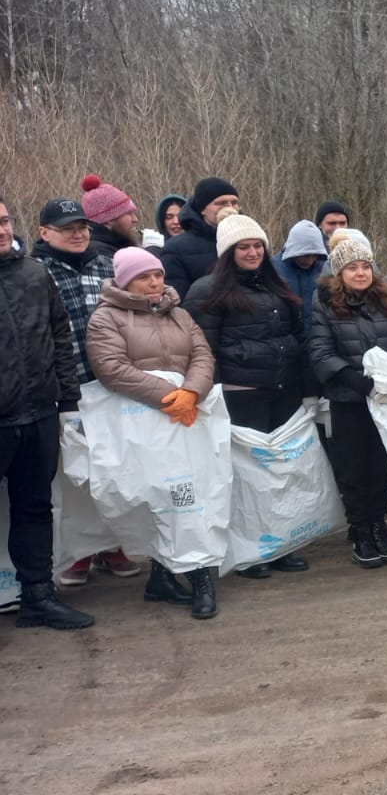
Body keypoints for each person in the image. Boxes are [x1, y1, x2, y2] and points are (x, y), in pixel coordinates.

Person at [85, 247, 220, 619]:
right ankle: (185, 574)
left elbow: (202, 355)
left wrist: (192, 391)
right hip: (140, 422)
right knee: (162, 496)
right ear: (126, 280)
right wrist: (167, 396)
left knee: (190, 494)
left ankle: (183, 575)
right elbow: (110, 367)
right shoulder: (106, 319)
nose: (155, 282)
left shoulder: (179, 314)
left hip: (187, 418)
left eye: (158, 275)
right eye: (145, 277)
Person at [186, 214, 313, 579]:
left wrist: (307, 389)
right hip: (241, 394)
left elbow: (297, 338)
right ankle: (249, 551)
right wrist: (211, 394)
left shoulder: (278, 286)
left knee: (279, 473)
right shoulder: (207, 290)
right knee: (245, 478)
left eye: (258, 245)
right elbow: (203, 350)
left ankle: (279, 545)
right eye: (244, 247)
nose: (253, 252)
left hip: (283, 389)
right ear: (229, 252)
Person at [32, 196, 140, 587]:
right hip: (63, 388)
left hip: (110, 385)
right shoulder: (35, 271)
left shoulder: (105, 265)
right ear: (44, 233)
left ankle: (113, 545)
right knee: (73, 477)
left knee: (112, 471)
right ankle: (79, 552)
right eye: (66, 229)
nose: (77, 234)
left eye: (81, 227)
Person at [0, 194, 95, 630]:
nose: (2, 231)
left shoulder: (34, 274)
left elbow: (61, 336)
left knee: (35, 508)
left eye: (3, 221)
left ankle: (38, 595)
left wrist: (67, 402)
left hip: (37, 412)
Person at [309, 231, 387, 567]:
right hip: (349, 398)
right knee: (354, 467)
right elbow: (321, 351)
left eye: (365, 266)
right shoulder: (326, 304)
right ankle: (360, 529)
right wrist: (356, 380)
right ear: (339, 273)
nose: (360, 273)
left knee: (380, 465)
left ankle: (378, 523)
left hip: (386, 398)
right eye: (352, 267)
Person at [160, 177, 241, 301]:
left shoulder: (249, 240)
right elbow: (177, 300)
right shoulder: (176, 249)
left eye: (234, 202)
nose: (230, 208)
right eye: (221, 203)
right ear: (202, 209)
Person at [273, 220, 327, 344]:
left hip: (317, 343)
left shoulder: (325, 269)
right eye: (305, 255)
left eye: (315, 255)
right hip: (286, 343)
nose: (310, 260)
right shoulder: (273, 270)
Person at [80, 175, 141, 262]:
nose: (135, 219)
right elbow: (138, 274)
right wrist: (153, 249)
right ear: (109, 220)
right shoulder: (100, 252)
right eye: (129, 213)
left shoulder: (113, 245)